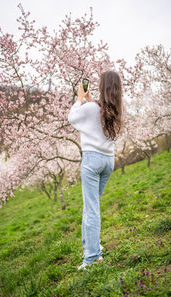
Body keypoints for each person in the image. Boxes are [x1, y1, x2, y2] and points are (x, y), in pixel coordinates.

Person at [67, 70, 123, 270]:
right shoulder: (116, 110)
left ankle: (91, 258)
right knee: (91, 206)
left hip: (92, 160)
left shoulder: (90, 108)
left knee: (91, 209)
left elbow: (72, 118)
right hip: (108, 160)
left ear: (101, 86)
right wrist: (91, 101)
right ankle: (92, 246)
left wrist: (80, 100)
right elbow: (99, 114)